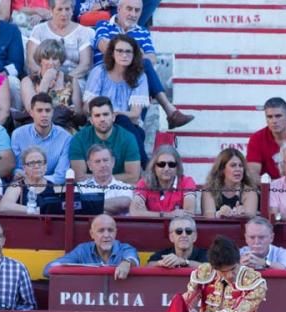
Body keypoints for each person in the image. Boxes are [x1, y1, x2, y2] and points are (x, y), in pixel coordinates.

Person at [91, 0, 193, 129]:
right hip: (106, 76)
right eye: (129, 9)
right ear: (119, 8)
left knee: (144, 69)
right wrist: (133, 50)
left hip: (132, 78)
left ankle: (140, 127)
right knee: (143, 68)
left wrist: (127, 53)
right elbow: (103, 46)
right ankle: (169, 110)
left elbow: (152, 58)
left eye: (137, 10)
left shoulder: (143, 32)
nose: (133, 14)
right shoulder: (104, 25)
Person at [83, 34, 149, 163]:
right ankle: (145, 165)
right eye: (119, 51)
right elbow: (87, 107)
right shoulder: (99, 72)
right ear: (112, 53)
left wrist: (115, 114)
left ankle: (141, 167)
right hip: (99, 120)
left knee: (122, 120)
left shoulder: (140, 76)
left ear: (134, 54)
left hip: (128, 124)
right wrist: (108, 115)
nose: (124, 55)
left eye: (128, 51)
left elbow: (135, 114)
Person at [68, 96, 140, 183]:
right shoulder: (78, 139)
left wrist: (104, 179)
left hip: (120, 189)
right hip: (89, 189)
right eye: (97, 115)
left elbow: (133, 177)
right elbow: (79, 177)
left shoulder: (128, 138)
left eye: (106, 114)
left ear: (113, 117)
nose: (102, 119)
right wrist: (109, 178)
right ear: (91, 120)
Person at [42, 213, 139, 279]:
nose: (106, 235)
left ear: (116, 232)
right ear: (92, 234)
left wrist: (127, 263)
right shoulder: (82, 251)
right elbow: (48, 269)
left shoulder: (125, 248)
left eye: (110, 230)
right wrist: (79, 271)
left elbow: (133, 258)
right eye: (101, 231)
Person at [10, 93, 70, 184]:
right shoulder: (18, 135)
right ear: (31, 113)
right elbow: (17, 169)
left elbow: (61, 176)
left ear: (52, 112)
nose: (44, 114)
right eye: (39, 110)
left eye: (47, 110)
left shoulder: (65, 138)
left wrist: (35, 180)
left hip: (52, 189)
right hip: (24, 186)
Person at [21, 38, 82, 128]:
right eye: (46, 58)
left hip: (65, 127)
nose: (51, 63)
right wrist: (45, 82)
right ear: (40, 60)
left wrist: (72, 110)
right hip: (37, 127)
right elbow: (31, 109)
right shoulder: (28, 81)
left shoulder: (71, 81)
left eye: (55, 58)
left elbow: (79, 112)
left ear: (60, 61)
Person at [26, 0, 93, 79]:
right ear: (51, 10)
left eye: (67, 9)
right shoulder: (39, 30)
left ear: (72, 10)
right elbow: (31, 61)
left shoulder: (83, 32)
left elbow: (85, 65)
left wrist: (64, 80)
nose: (64, 14)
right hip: (43, 78)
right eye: (59, 9)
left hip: (74, 80)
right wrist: (45, 79)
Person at [130, 144, 196, 218]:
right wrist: (168, 215)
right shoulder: (144, 182)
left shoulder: (187, 182)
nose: (166, 168)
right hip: (153, 228)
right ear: (154, 166)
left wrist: (147, 213)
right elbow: (135, 212)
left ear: (177, 167)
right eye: (161, 164)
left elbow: (188, 213)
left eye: (171, 164)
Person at [201, 147, 257, 219]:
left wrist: (243, 214)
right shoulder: (209, 189)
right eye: (233, 165)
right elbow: (208, 216)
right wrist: (219, 214)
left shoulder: (250, 191)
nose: (238, 169)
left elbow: (251, 217)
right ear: (222, 169)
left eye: (241, 166)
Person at [76, 144, 132, 213]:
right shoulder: (79, 188)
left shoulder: (125, 187)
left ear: (113, 162)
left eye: (105, 160)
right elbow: (75, 206)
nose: (102, 165)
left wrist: (88, 205)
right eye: (97, 161)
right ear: (89, 165)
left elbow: (124, 203)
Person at [0, 146, 57, 212]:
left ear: (45, 166)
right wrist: (35, 211)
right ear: (24, 168)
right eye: (31, 163)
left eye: (40, 162)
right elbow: (4, 207)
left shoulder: (54, 187)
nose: (36, 166)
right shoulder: (17, 186)